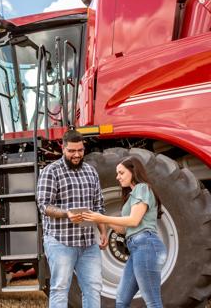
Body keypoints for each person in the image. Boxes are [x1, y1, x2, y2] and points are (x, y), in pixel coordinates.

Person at [82, 156, 167, 308]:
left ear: (133, 171)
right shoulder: (131, 196)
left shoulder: (142, 188)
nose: (117, 177)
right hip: (136, 248)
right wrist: (99, 220)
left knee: (152, 301)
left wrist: (102, 216)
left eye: (121, 173)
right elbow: (124, 229)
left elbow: (133, 220)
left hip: (146, 245)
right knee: (121, 300)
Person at [37, 129, 108, 308]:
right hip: (60, 242)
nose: (76, 155)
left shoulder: (91, 172)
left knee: (93, 288)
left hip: (88, 243)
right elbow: (44, 205)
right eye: (72, 151)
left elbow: (98, 206)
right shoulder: (51, 171)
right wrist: (67, 213)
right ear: (63, 149)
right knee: (60, 288)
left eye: (80, 150)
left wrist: (103, 232)